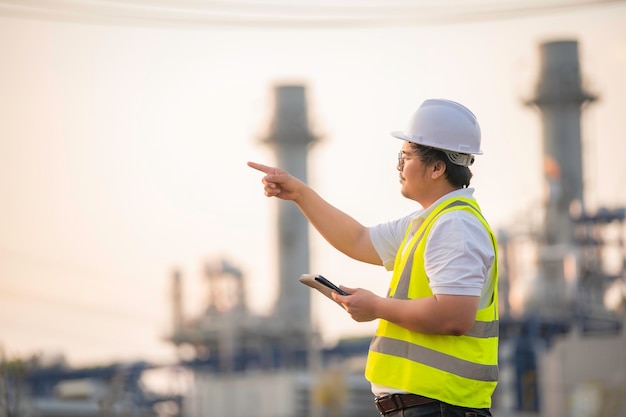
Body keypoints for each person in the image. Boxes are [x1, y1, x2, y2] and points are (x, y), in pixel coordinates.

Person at [248, 98, 498, 417]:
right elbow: (358, 239)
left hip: (439, 407)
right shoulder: (427, 223)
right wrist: (299, 193)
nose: (398, 166)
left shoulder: (454, 227)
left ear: (437, 168)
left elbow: (454, 316)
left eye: (405, 157)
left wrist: (376, 307)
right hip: (429, 406)